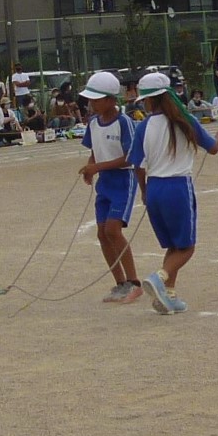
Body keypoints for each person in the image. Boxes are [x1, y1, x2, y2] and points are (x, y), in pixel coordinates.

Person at [127, 72, 218, 315]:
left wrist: (144, 191)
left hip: (154, 188)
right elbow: (212, 148)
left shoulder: (143, 127)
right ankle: (159, 277)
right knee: (186, 246)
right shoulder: (185, 121)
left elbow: (137, 165)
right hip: (177, 186)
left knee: (173, 245)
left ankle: (169, 295)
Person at [76, 72, 142, 304]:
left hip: (123, 181)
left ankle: (134, 282)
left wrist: (98, 167)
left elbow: (131, 157)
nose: (91, 104)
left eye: (95, 99)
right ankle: (119, 283)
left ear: (111, 99)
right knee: (102, 232)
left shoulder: (124, 122)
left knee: (113, 230)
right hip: (104, 182)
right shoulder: (93, 123)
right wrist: (91, 167)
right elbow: (95, 148)